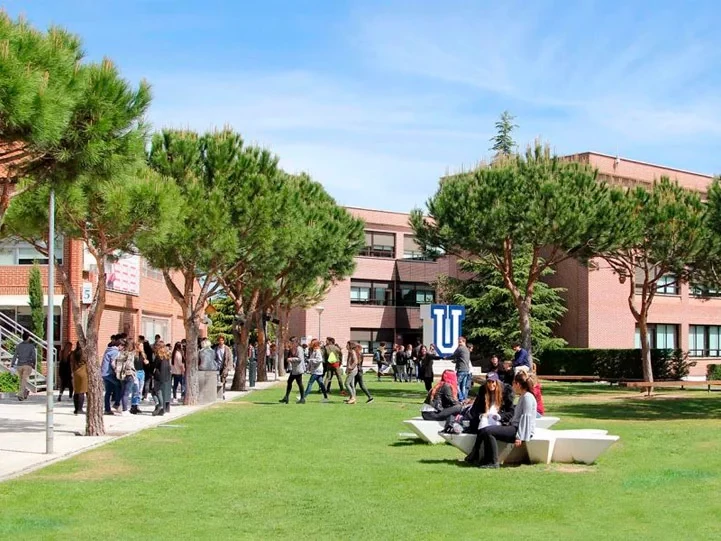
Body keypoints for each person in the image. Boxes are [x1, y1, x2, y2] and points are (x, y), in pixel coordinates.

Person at [467, 371, 537, 469]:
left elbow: (526, 418)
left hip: (519, 431)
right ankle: (485, 459)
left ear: (518, 384)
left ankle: (493, 462)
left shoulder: (527, 397)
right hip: (515, 427)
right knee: (485, 430)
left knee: (489, 431)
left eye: (513, 383)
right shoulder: (523, 396)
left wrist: (519, 437)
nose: (512, 386)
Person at [10, 331, 37, 401]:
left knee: (22, 380)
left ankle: (25, 391)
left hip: (19, 366)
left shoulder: (19, 346)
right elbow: (33, 356)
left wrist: (12, 364)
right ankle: (21, 395)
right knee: (24, 380)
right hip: (27, 365)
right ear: (28, 338)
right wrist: (34, 364)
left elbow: (15, 355)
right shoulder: (31, 346)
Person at [279, 337, 305, 404]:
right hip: (294, 370)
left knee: (299, 383)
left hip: (298, 369)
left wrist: (291, 359)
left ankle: (302, 398)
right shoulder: (292, 349)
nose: (290, 343)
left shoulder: (299, 349)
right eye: (290, 342)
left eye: (291, 342)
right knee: (290, 382)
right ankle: (286, 397)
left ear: (295, 342)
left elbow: (300, 359)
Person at [101, 336, 122, 415]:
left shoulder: (108, 350)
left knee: (108, 391)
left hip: (104, 373)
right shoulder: (115, 352)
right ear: (120, 345)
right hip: (109, 373)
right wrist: (118, 371)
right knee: (119, 385)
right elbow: (113, 363)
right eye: (122, 347)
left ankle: (107, 409)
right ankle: (116, 403)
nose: (122, 349)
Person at [115, 338, 136, 415]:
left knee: (123, 392)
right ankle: (125, 410)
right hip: (129, 374)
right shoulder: (130, 354)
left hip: (121, 374)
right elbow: (129, 364)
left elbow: (115, 362)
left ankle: (121, 407)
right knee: (126, 393)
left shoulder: (121, 353)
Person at [152, 341, 172, 416]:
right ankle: (160, 406)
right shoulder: (167, 355)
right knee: (158, 391)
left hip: (158, 376)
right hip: (165, 376)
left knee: (156, 391)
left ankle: (159, 405)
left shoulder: (158, 356)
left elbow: (154, 365)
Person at [451, 336, 472, 401]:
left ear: (464, 341)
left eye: (460, 342)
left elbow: (453, 355)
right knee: (463, 385)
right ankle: (464, 399)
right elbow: (462, 358)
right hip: (467, 370)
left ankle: (461, 397)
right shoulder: (467, 349)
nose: (459, 343)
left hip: (461, 369)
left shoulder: (460, 348)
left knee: (455, 383)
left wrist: (445, 357)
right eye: (458, 342)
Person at [131, 340, 148, 414]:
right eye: (141, 346)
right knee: (136, 389)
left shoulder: (143, 354)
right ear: (137, 346)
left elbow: (145, 365)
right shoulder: (134, 354)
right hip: (136, 372)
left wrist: (146, 363)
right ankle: (133, 405)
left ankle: (137, 405)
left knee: (140, 390)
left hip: (142, 372)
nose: (142, 347)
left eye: (142, 346)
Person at [70, 342, 87, 415]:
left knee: (76, 391)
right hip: (83, 372)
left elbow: (71, 363)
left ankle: (76, 409)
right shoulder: (84, 353)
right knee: (82, 391)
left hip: (75, 372)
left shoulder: (73, 353)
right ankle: (80, 409)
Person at [214, 335, 233, 400]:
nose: (221, 341)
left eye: (222, 340)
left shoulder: (227, 349)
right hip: (217, 366)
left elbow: (230, 358)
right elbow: (214, 357)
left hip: (224, 367)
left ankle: (223, 393)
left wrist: (228, 367)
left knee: (223, 380)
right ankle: (217, 393)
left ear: (224, 341)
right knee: (216, 380)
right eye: (219, 340)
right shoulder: (216, 348)